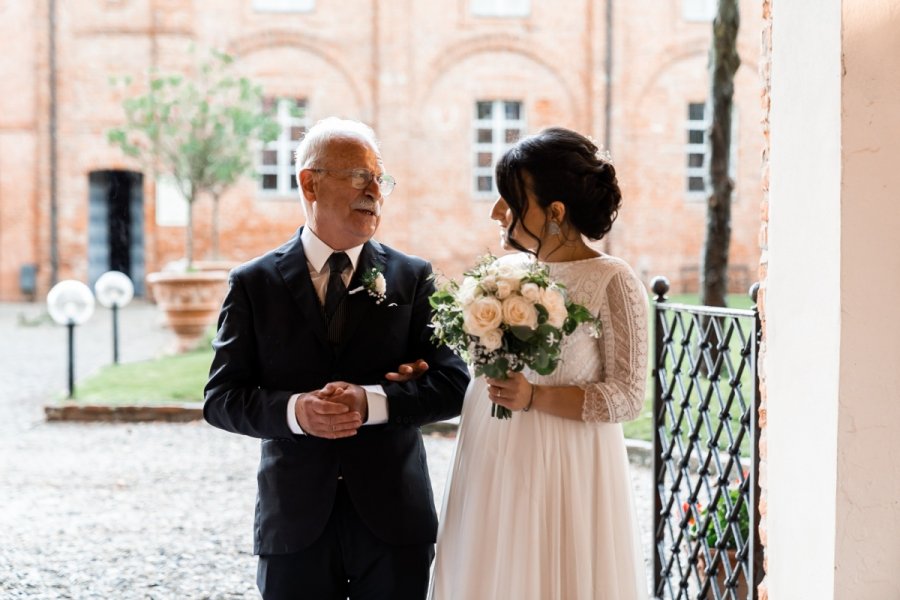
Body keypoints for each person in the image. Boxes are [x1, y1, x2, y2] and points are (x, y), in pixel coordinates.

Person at [203, 117, 469, 600]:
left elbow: (454, 384)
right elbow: (221, 398)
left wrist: (375, 402)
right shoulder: (253, 283)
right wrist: (295, 412)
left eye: (379, 178)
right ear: (309, 182)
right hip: (294, 521)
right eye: (358, 176)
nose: (374, 190)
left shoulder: (412, 277)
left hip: (394, 518)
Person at [429, 127, 650, 599]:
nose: (495, 212)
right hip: (494, 459)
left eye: (509, 198)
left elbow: (628, 397)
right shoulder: (505, 273)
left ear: (554, 212)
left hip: (566, 469)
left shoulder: (612, 279)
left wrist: (535, 397)